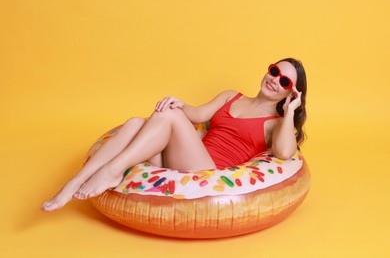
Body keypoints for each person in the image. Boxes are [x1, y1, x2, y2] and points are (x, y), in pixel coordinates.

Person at [41, 57, 307, 212]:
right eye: (274, 71)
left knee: (164, 119)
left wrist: (290, 111)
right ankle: (73, 183)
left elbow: (284, 153)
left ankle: (113, 170)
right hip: (180, 159)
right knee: (135, 122)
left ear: (290, 92)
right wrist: (179, 104)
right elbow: (197, 115)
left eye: (285, 81)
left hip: (208, 170)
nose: (275, 80)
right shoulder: (231, 95)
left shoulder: (276, 124)